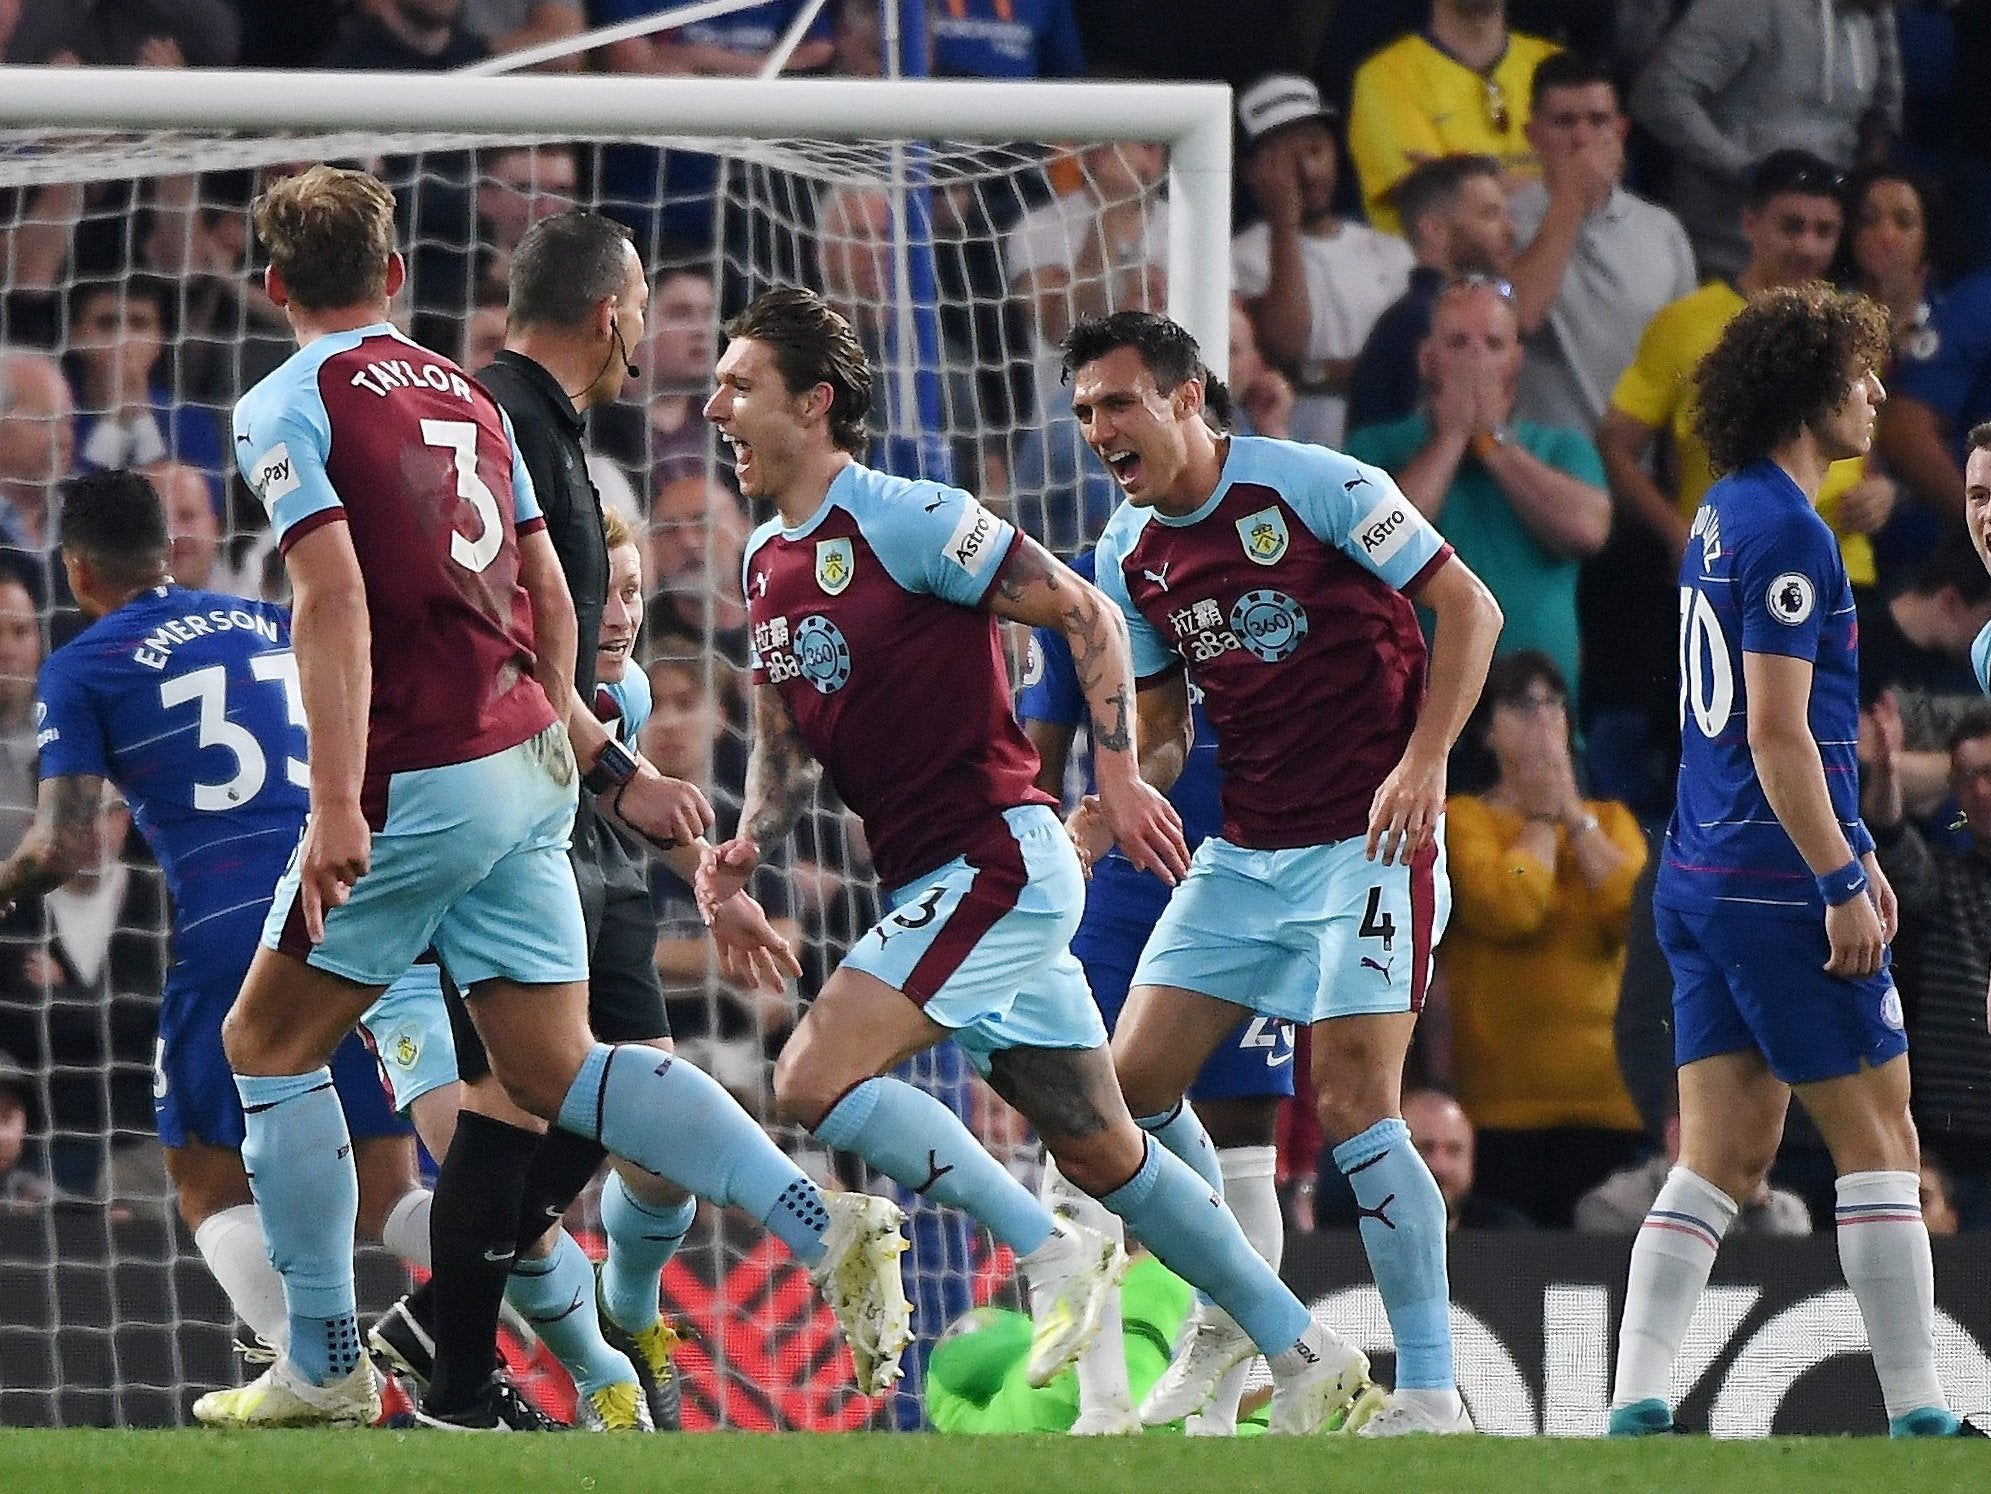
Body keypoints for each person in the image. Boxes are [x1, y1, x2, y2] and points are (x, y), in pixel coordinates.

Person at [197, 166, 910, 1430]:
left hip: (419, 771)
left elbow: (333, 600)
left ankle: (320, 1361)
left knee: (264, 1045)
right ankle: (822, 1219)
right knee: (556, 1066)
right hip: (527, 759)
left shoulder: (289, 399)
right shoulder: (463, 396)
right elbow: (554, 594)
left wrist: (340, 808)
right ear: (397, 278)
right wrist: (597, 752)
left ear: (271, 287)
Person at [695, 286, 1375, 1437]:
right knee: (1107, 1145)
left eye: (739, 384)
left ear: (813, 405)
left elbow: (1087, 617)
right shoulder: (764, 560)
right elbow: (780, 734)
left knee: (810, 1079)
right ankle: (1307, 1354)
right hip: (932, 878)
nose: (714, 404)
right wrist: (748, 839)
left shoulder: (909, 517)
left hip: (997, 861)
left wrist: (1114, 779)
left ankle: (1043, 1250)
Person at [1066, 309, 1504, 1436]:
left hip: (1371, 839)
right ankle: (1233, 1305)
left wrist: (1423, 765)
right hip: (1247, 853)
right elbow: (1161, 727)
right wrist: (1120, 793)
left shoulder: (1316, 486)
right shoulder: (1126, 555)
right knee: (1124, 1094)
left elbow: (1469, 607)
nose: (1098, 429)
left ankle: (1426, 1393)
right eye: (1081, 413)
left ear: (1181, 398)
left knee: (1355, 1101)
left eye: (1116, 403)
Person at [364, 210, 724, 1434]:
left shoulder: (539, 427)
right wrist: (623, 771)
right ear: (612, 314)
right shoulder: (501, 421)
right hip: (509, 804)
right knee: (535, 1099)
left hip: (555, 814)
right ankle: (445, 1368)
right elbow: (508, 645)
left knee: (609, 1095)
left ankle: (437, 1343)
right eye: (644, 314)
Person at [1608, 282, 1967, 1438]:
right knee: (1880, 1139)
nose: (1874, 392)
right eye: (1859, 375)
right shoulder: (1791, 533)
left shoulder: (1719, 509)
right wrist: (1839, 874)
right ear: (1810, 389)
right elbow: (1775, 728)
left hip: (1697, 870)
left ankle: (1634, 1409)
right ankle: (1918, 1413)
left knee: (1720, 1154)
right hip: (1775, 878)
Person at [0, 469, 440, 1360]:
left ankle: (313, 1366)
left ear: (78, 571)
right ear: (167, 548)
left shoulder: (82, 664)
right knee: (391, 1187)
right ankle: (565, 1295)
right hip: (355, 892)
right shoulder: (268, 622)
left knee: (205, 1177)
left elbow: (64, 845)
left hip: (237, 922)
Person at [1020, 540, 1295, 1437]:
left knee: (1245, 1136)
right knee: (1083, 1119)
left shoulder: (1275, 567)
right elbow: (1037, 752)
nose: (1106, 436)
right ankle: (1102, 1412)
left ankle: (1211, 1424)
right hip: (1121, 896)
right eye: (1095, 415)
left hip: (1250, 881)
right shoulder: (1073, 587)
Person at [1435, 651, 1646, 1225]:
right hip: (1503, 1108)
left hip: (1610, 1105)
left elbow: (1631, 914)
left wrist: (1574, 817)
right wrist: (1540, 820)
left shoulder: (1613, 820)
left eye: (1554, 704)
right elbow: (1511, 909)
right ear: (1485, 731)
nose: (1542, 719)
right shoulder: (1462, 820)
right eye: (1522, 705)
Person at [1346, 276, 1608, 704]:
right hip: (1411, 716)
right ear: (1427, 360)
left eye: (1493, 344)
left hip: (1540, 714)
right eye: (1458, 343)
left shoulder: (1562, 447)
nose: (1476, 361)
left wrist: (1491, 443)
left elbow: (1587, 530)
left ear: (1516, 361)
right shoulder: (1374, 449)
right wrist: (1450, 439)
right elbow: (1375, 543)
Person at [1629, 0, 1899, 281]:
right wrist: (1745, 170)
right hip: (1726, 254)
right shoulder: (1747, 6)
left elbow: (1848, 128)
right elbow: (1659, 95)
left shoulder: (1864, 22)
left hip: (1812, 260)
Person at [1506, 52, 1697, 437]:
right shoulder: (1502, 221)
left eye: (1598, 121)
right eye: (1564, 122)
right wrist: (1571, 199)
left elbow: (1686, 359)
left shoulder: (1662, 230)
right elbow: (1519, 316)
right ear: (1533, 135)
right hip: (1539, 464)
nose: (1581, 138)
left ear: (1622, 132)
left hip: (1638, 464)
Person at [1229, 73, 1413, 452]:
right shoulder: (1238, 256)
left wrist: (1317, 374)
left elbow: (1406, 367)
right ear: (1251, 170)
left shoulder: (1391, 251)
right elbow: (1284, 349)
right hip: (1290, 455)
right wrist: (1284, 224)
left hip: (1387, 457)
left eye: (1315, 151)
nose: (1308, 172)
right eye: (1284, 159)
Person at [1867, 697, 1991, 1232]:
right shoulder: (1943, 876)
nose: (1980, 791)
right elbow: (1890, 841)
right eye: (1965, 777)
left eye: (1990, 773)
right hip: (1952, 1138)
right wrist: (1889, 771)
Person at [1346, 0, 1561, 235]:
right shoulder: (1384, 77)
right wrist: (1565, 183)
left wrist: (1458, 177)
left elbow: (1601, 179)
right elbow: (1431, 195)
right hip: (1446, 269)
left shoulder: (1555, 63)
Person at [1344, 154, 1514, 441]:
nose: (1511, 229)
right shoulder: (1419, 322)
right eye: (1489, 215)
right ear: (1435, 229)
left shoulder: (1410, 316)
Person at [1575, 1112, 1811, 1235]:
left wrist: (1758, 1205)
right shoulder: (1613, 1206)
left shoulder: (1787, 1212)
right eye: (1723, 1129)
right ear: (1675, 1136)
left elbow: (1781, 1280)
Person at [1399, 1089, 1532, 1231]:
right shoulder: (1372, 1235)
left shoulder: (1509, 1236)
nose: (1440, 1166)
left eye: (1454, 1150)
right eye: (1424, 1149)